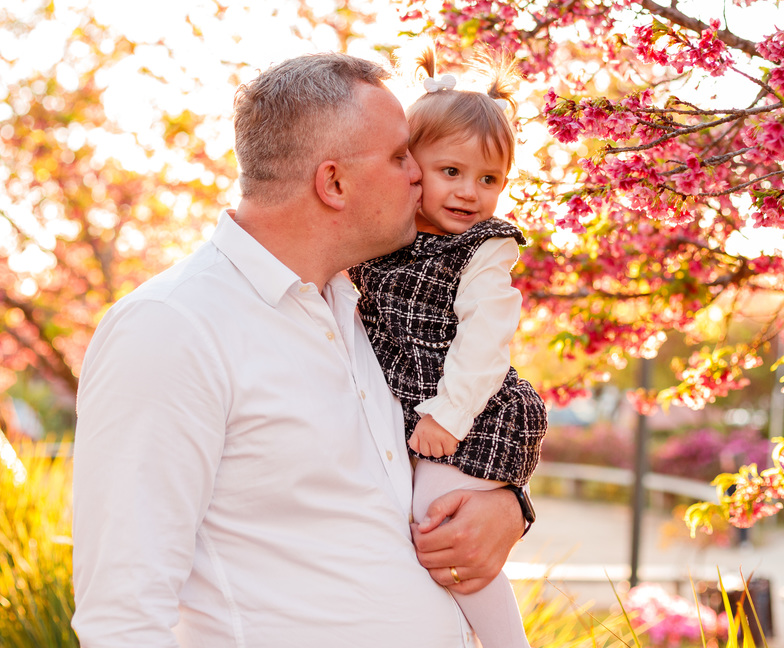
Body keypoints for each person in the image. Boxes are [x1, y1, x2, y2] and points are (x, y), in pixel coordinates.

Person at [71, 53, 529, 648]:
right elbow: (123, 615)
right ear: (333, 183)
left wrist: (506, 505)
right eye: (400, 157)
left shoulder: (363, 309)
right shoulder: (172, 327)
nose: (419, 174)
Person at [349, 51, 548, 648]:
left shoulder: (483, 248)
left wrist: (448, 415)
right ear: (412, 168)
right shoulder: (386, 240)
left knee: (440, 523)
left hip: (467, 412)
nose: (469, 193)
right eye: (451, 171)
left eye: (489, 180)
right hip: (424, 415)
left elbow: (486, 340)